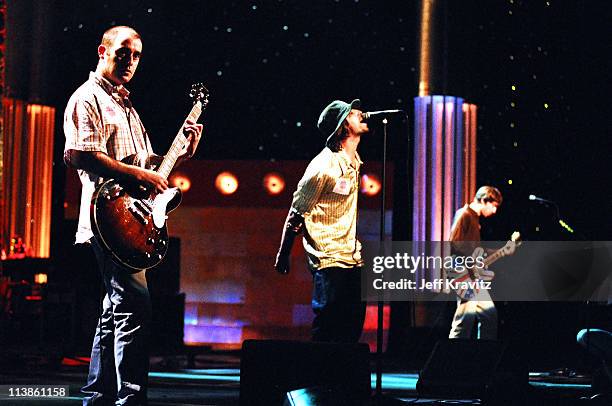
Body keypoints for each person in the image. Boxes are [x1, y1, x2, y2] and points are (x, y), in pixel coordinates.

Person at [63, 26, 203, 405]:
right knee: (134, 308)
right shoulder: (87, 97)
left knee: (116, 310)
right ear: (102, 50)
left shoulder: (127, 106)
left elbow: (147, 166)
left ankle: (98, 395)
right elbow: (80, 154)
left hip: (132, 219)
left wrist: (181, 154)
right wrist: (142, 174)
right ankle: (131, 398)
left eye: (137, 55)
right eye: (123, 52)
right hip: (108, 221)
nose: (130, 61)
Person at [274, 99, 368, 343]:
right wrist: (283, 254)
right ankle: (320, 378)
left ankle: (342, 380)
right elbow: (297, 213)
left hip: (352, 257)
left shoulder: (354, 161)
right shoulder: (323, 166)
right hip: (328, 257)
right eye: (352, 112)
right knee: (328, 325)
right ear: (342, 126)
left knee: (352, 326)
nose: (359, 113)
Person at [448, 186, 512, 340]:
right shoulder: (465, 215)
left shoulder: (475, 218)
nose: (495, 211)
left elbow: (477, 249)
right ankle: (452, 361)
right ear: (485, 200)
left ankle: (483, 357)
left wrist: (503, 250)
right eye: (494, 206)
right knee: (464, 321)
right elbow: (454, 243)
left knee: (489, 316)